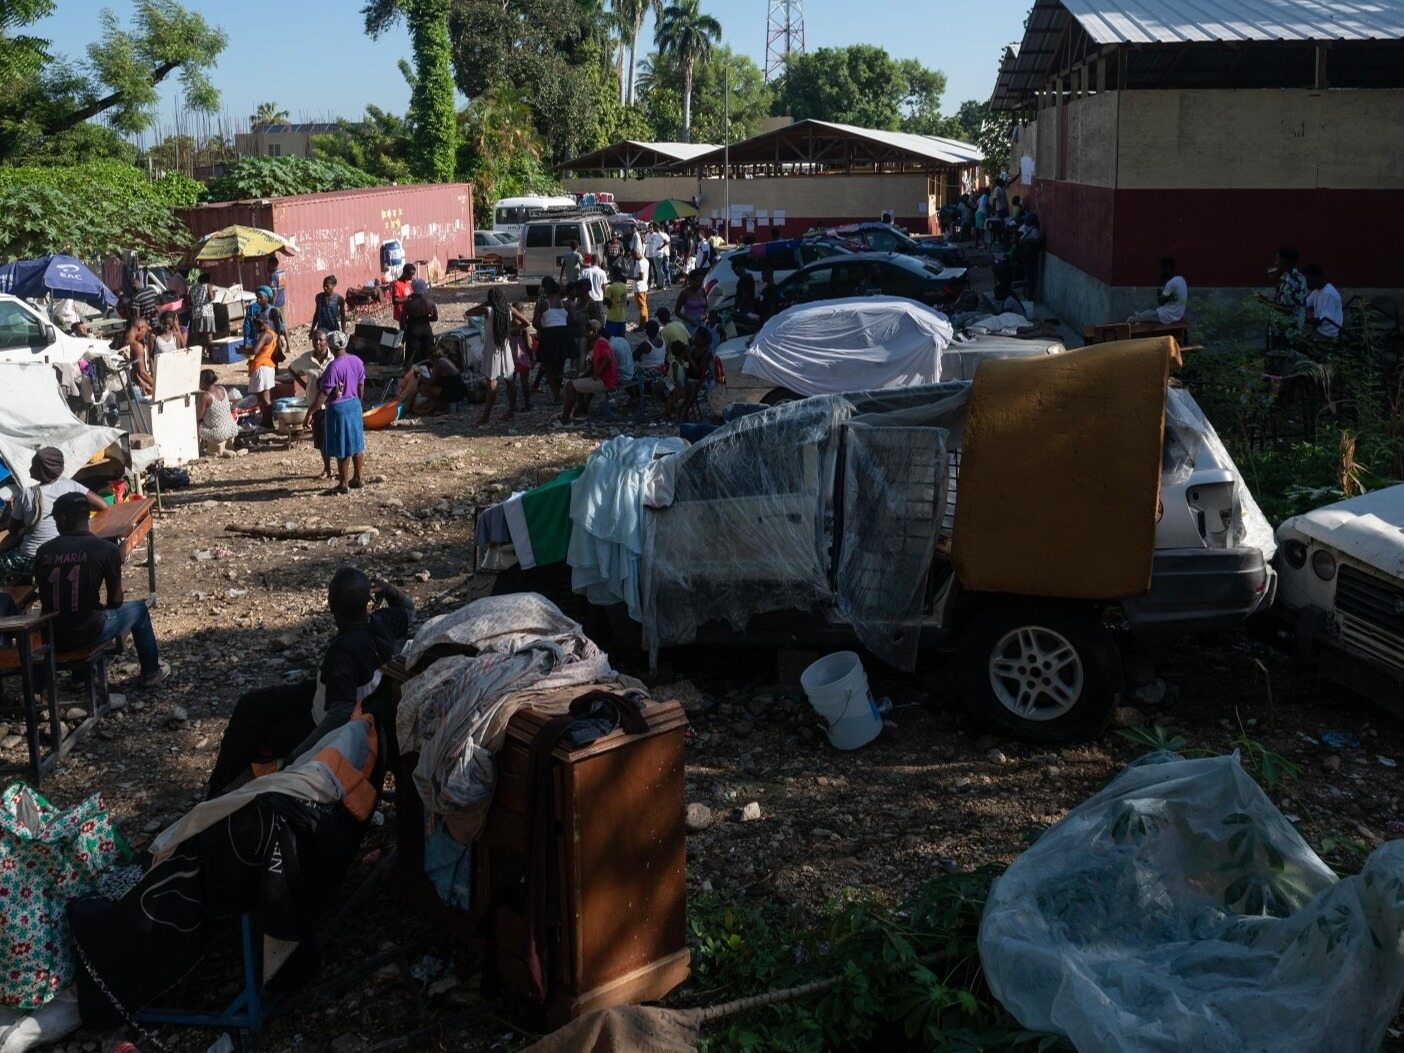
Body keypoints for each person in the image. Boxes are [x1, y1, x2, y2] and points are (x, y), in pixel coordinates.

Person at [206, 568, 413, 797]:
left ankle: (219, 791)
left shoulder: (343, 653)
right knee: (252, 703)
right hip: (340, 694)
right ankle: (224, 784)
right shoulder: (383, 622)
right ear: (368, 600)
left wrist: (301, 752)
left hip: (332, 720)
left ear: (331, 605)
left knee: (260, 731)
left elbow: (340, 713)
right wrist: (389, 589)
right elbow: (408, 608)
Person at [35, 491, 167, 687]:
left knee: (74, 614)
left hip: (52, 634)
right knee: (139, 609)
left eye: (55, 519)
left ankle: (79, 677)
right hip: (89, 631)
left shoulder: (43, 552)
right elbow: (116, 600)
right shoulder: (105, 549)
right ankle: (151, 672)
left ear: (63, 519)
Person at [0, 448, 107, 584]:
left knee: (3, 561)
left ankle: (14, 599)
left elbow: (12, 529)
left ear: (39, 471)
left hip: (34, 560)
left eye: (33, 465)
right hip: (66, 556)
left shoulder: (27, 494)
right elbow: (103, 505)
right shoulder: (71, 485)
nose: (30, 468)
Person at [304, 330, 366, 494]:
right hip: (354, 404)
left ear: (330, 346)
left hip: (338, 409)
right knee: (356, 443)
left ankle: (343, 482)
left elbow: (324, 394)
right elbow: (361, 386)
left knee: (342, 446)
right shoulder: (357, 361)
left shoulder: (333, 366)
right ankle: (358, 478)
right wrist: (358, 402)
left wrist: (310, 412)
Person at [468, 287, 530, 425]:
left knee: (492, 382)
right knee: (509, 380)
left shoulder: (488, 310)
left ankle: (486, 417)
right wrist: (510, 329)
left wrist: (484, 304)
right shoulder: (508, 310)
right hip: (505, 347)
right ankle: (510, 412)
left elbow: (468, 313)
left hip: (492, 349)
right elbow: (526, 323)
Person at [556, 320, 618, 424]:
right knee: (579, 380)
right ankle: (581, 411)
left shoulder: (600, 343)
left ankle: (565, 418)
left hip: (606, 381)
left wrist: (597, 375)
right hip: (606, 379)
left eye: (587, 331)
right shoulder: (600, 342)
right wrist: (584, 376)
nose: (585, 334)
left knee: (570, 386)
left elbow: (607, 359)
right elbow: (596, 363)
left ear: (595, 331)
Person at [532, 277, 570, 402]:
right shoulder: (565, 304)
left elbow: (535, 322)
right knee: (560, 367)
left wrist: (544, 330)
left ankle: (556, 396)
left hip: (549, 335)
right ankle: (558, 392)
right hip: (564, 335)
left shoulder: (544, 303)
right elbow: (571, 320)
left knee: (548, 367)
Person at [1263, 246, 1307, 337]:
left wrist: (1264, 301)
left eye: (1278, 258)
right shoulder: (1299, 276)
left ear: (1285, 261)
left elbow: (1287, 308)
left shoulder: (1289, 280)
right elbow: (1284, 295)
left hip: (1287, 330)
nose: (1276, 261)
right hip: (1293, 327)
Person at [1129, 257, 1188, 326]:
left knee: (1132, 319)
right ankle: (1139, 315)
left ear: (1167, 268)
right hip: (1177, 314)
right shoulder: (1181, 280)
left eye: (1161, 269)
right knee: (1149, 312)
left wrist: (1159, 283)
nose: (1160, 271)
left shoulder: (1171, 282)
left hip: (1169, 315)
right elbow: (1173, 298)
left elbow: (1161, 302)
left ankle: (1136, 317)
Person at [196, 368, 240, 457]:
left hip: (219, 433)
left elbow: (198, 417)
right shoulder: (222, 389)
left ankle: (199, 449)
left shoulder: (205, 396)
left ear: (204, 382)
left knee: (196, 423)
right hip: (232, 428)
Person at [246, 315, 280, 428]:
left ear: (261, 324)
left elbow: (255, 350)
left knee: (264, 398)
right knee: (264, 397)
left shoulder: (266, 335)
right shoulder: (272, 334)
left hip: (262, 366)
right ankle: (266, 422)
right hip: (268, 366)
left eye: (255, 326)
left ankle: (268, 423)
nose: (255, 329)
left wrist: (243, 349)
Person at [401, 277, 439, 361]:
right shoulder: (430, 301)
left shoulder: (408, 304)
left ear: (413, 288)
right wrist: (425, 319)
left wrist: (409, 323)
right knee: (429, 358)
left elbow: (402, 323)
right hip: (426, 331)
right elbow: (435, 318)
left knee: (413, 359)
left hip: (413, 332)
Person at [1304, 264, 1344, 341]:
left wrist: (1302, 319)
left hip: (1328, 334)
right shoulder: (1316, 291)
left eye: (1309, 280)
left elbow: (1324, 320)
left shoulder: (1328, 293)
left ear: (1319, 277)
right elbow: (1305, 303)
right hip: (1321, 329)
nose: (1307, 284)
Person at [123, 315, 155, 398]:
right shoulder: (137, 345)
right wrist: (156, 385)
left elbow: (134, 371)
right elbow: (142, 372)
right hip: (135, 388)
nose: (145, 335)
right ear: (140, 328)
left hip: (125, 387)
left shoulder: (123, 341)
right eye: (145, 331)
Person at [312, 274, 347, 343]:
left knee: (334, 349)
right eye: (324, 285)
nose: (325, 288)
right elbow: (316, 314)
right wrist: (312, 330)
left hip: (334, 330)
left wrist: (343, 332)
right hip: (321, 330)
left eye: (327, 286)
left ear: (333, 285)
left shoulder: (339, 299)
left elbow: (343, 316)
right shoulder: (319, 297)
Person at [635, 319, 668, 387]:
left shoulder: (646, 345)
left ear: (646, 331)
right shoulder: (662, 341)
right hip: (661, 369)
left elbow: (634, 356)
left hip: (648, 372)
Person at [188, 272, 216, 348]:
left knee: (198, 335)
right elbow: (211, 298)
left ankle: (199, 352)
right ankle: (211, 352)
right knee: (208, 334)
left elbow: (189, 302)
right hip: (206, 313)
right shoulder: (208, 286)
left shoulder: (193, 288)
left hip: (196, 314)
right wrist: (214, 293)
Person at [604, 266, 630, 338]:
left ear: (612, 275)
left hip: (612, 318)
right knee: (621, 338)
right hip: (622, 318)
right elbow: (625, 301)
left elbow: (605, 301)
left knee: (610, 338)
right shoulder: (624, 286)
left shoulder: (610, 288)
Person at [632, 251, 651, 325]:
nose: (632, 258)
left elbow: (641, 277)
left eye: (632, 256)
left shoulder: (640, 263)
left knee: (642, 307)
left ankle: (642, 324)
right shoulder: (645, 260)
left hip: (639, 287)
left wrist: (630, 277)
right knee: (644, 306)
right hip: (644, 286)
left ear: (635, 255)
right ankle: (646, 322)